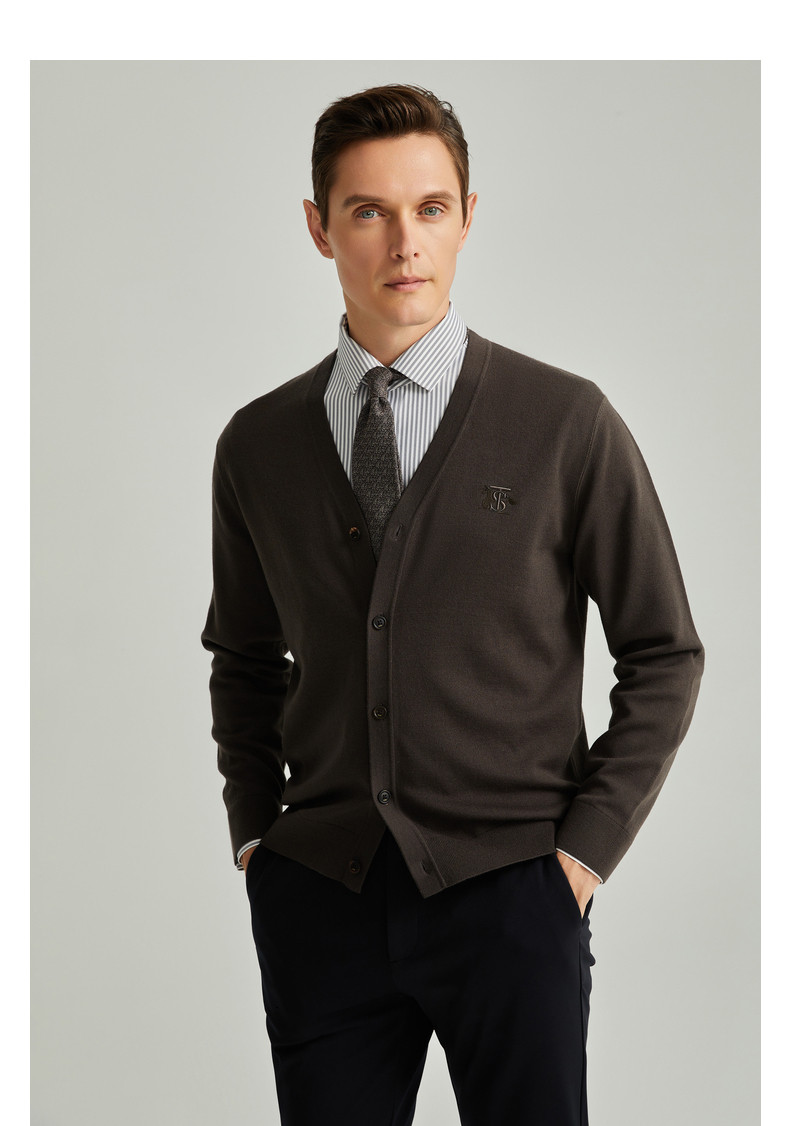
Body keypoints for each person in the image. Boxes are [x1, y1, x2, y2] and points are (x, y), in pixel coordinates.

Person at [200, 83, 704, 1126]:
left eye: (430, 209)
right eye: (369, 212)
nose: (404, 243)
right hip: (322, 896)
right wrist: (256, 836)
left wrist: (579, 856)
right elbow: (242, 658)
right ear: (318, 228)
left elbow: (664, 652)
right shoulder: (258, 443)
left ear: (468, 217)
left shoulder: (563, 422)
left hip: (514, 892)